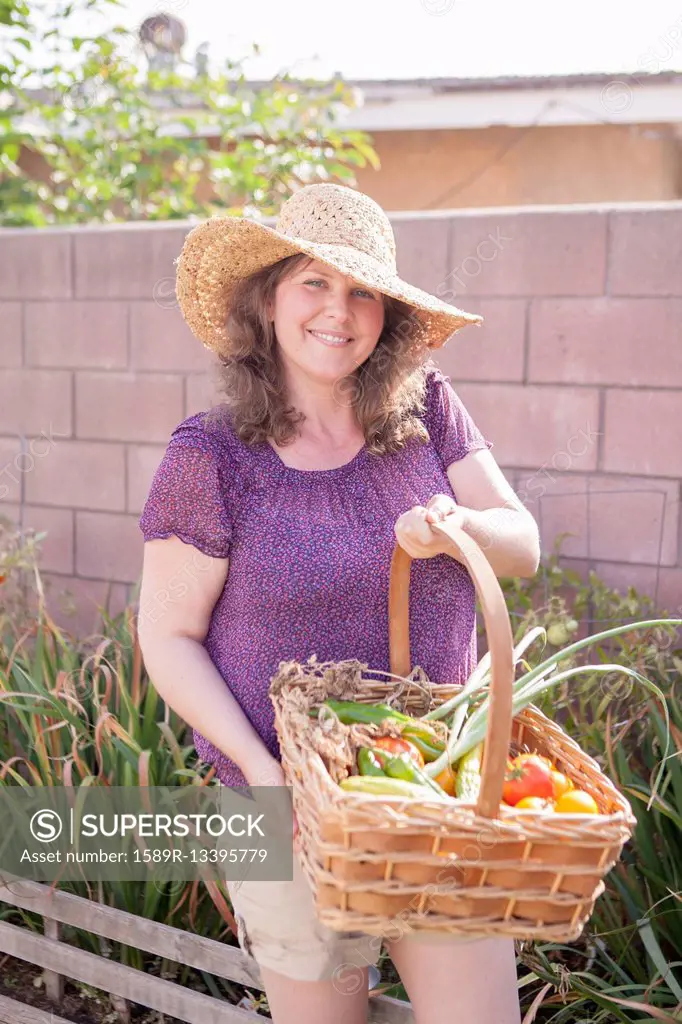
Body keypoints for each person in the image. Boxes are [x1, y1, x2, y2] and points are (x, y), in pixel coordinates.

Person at [137, 182, 539, 1024]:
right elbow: (167, 637)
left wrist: (458, 526)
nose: (338, 310)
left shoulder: (427, 408)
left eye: (362, 291)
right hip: (285, 807)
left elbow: (523, 543)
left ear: (387, 314)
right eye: (314, 282)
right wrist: (260, 772)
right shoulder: (211, 456)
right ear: (270, 299)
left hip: (431, 788)